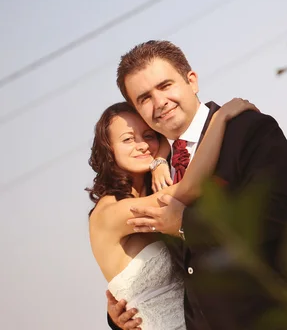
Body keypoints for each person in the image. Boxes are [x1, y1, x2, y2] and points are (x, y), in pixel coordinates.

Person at [106, 40, 287, 330]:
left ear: (192, 81)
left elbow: (283, 210)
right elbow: (172, 271)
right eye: (144, 98)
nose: (159, 102)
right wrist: (121, 313)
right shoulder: (153, 180)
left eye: (165, 86)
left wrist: (188, 223)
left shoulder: (246, 129)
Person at [89, 98, 257, 329]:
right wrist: (219, 119)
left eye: (148, 135)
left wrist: (159, 161)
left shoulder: (155, 191)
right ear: (108, 150)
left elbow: (166, 146)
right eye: (128, 139)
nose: (142, 145)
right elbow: (191, 187)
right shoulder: (109, 211)